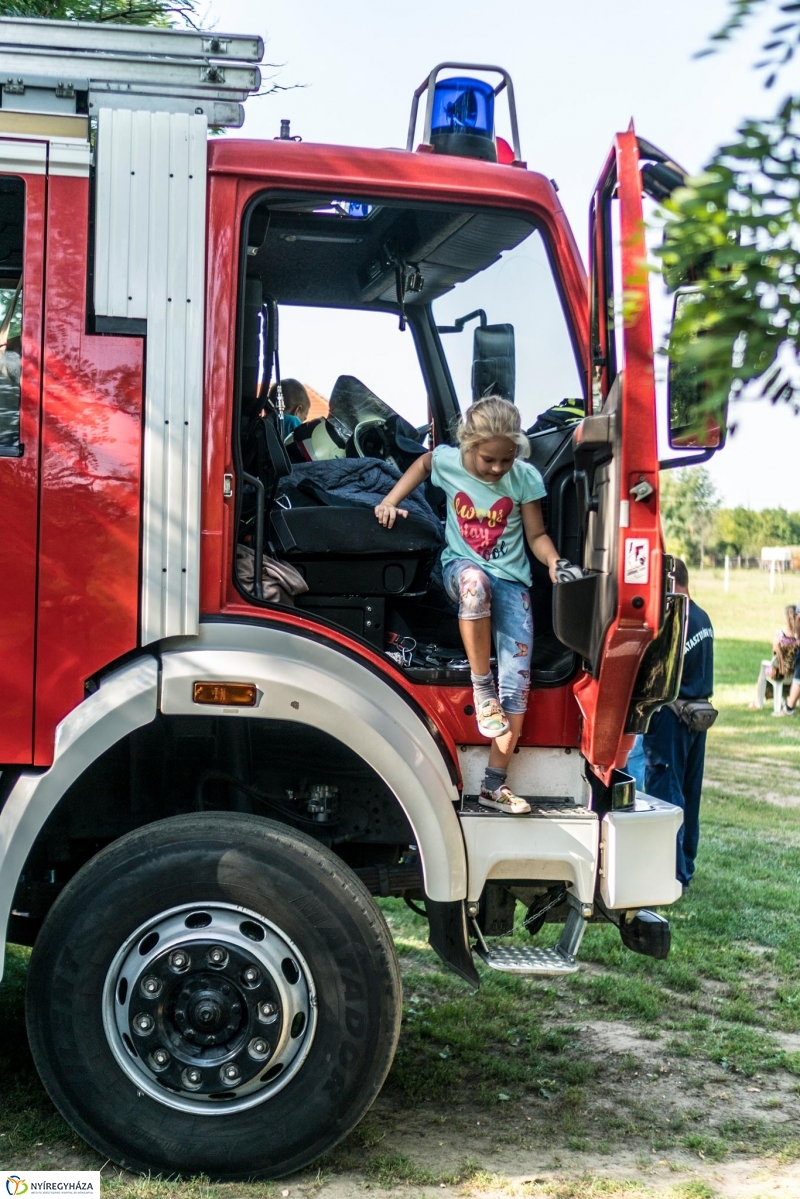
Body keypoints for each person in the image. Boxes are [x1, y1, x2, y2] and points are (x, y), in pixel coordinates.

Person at [374, 395, 561, 815]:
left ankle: (493, 787)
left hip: (512, 581)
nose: (497, 469)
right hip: (460, 569)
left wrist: (553, 562)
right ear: (468, 446)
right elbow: (422, 465)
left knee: (518, 680)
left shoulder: (524, 478)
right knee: (476, 586)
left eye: (506, 460)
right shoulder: (449, 461)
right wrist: (391, 500)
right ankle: (481, 688)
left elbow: (536, 536)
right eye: (488, 460)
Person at [641, 559, 714, 891]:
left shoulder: (675, 621)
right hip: (697, 717)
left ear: (671, 581)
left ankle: (674, 874)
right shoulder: (703, 618)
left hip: (671, 718)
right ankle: (687, 862)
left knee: (666, 796)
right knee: (689, 792)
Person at [749, 604, 800, 712]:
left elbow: (776, 654)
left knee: (764, 669)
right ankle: (784, 699)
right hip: (795, 674)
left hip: (779, 674)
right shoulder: (798, 639)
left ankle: (758, 702)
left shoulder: (779, 635)